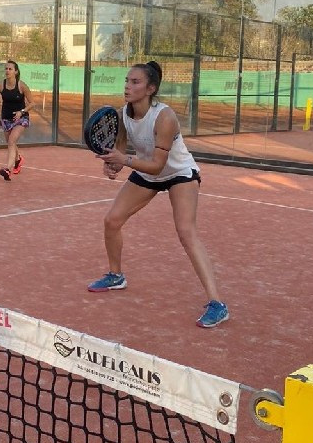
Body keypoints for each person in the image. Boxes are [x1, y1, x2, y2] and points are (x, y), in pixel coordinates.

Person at [87, 61, 229, 328]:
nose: (127, 86)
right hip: (147, 172)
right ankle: (116, 275)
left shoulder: (165, 117)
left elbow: (157, 165)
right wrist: (112, 165)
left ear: (150, 89)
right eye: (127, 81)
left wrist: (124, 160)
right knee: (112, 221)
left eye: (135, 82)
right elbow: (121, 151)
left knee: (186, 232)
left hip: (178, 173)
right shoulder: (122, 115)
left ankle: (217, 303)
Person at [0, 60, 34, 180]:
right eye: (6, 68)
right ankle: (18, 159)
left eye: (10, 69)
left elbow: (32, 103)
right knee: (11, 142)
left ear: (16, 72)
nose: (7, 71)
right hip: (6, 118)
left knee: (11, 141)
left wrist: (21, 112)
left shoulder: (22, 86)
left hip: (21, 118)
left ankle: (8, 169)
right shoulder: (0, 85)